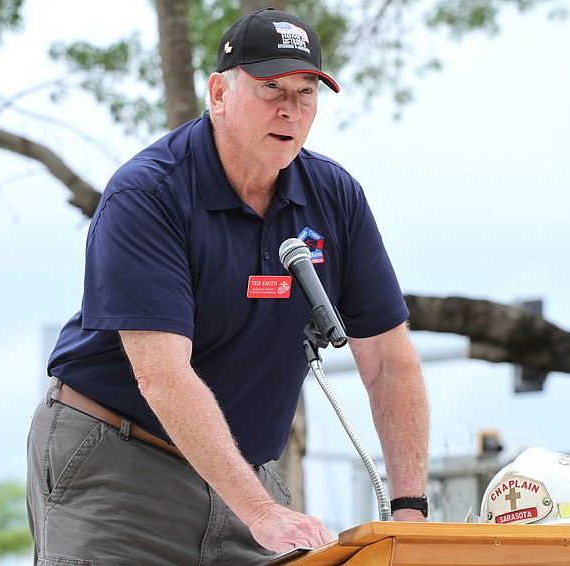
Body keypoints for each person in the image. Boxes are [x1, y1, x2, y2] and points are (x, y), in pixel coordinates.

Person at [26, 8, 430, 565]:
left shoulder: (336, 198)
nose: (291, 108)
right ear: (219, 93)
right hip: (120, 464)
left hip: (249, 477)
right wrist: (261, 512)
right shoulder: (147, 195)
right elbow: (163, 375)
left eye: (306, 92)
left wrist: (409, 511)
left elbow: (389, 361)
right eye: (271, 89)